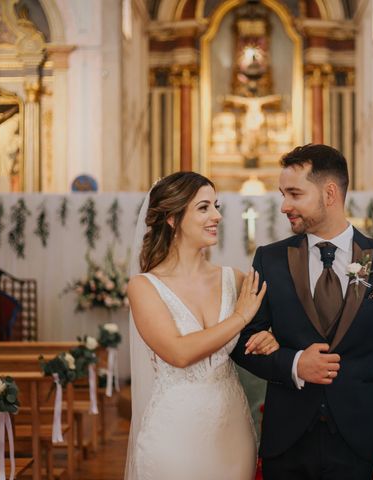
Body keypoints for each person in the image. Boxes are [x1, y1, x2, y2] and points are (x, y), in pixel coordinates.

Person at [231, 144, 373, 480]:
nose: (284, 206)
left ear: (330, 193)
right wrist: (295, 364)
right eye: (282, 194)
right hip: (288, 443)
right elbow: (242, 342)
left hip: (364, 442)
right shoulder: (269, 260)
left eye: (294, 194)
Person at [125, 172, 278, 480]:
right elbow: (178, 353)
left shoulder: (234, 279)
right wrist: (239, 318)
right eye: (204, 207)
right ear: (172, 217)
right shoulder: (144, 287)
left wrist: (268, 337)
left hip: (233, 431)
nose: (217, 216)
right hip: (174, 433)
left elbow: (257, 337)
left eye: (216, 206)